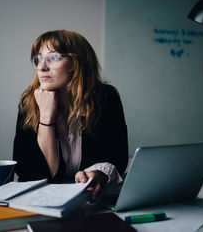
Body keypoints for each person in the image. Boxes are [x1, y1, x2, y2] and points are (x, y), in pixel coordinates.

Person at [13, 30, 128, 200]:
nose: (42, 66)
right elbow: (29, 172)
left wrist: (98, 174)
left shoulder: (105, 98)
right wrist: (46, 117)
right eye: (37, 59)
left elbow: (117, 157)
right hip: (44, 202)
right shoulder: (29, 101)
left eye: (53, 57)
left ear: (76, 62)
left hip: (94, 200)